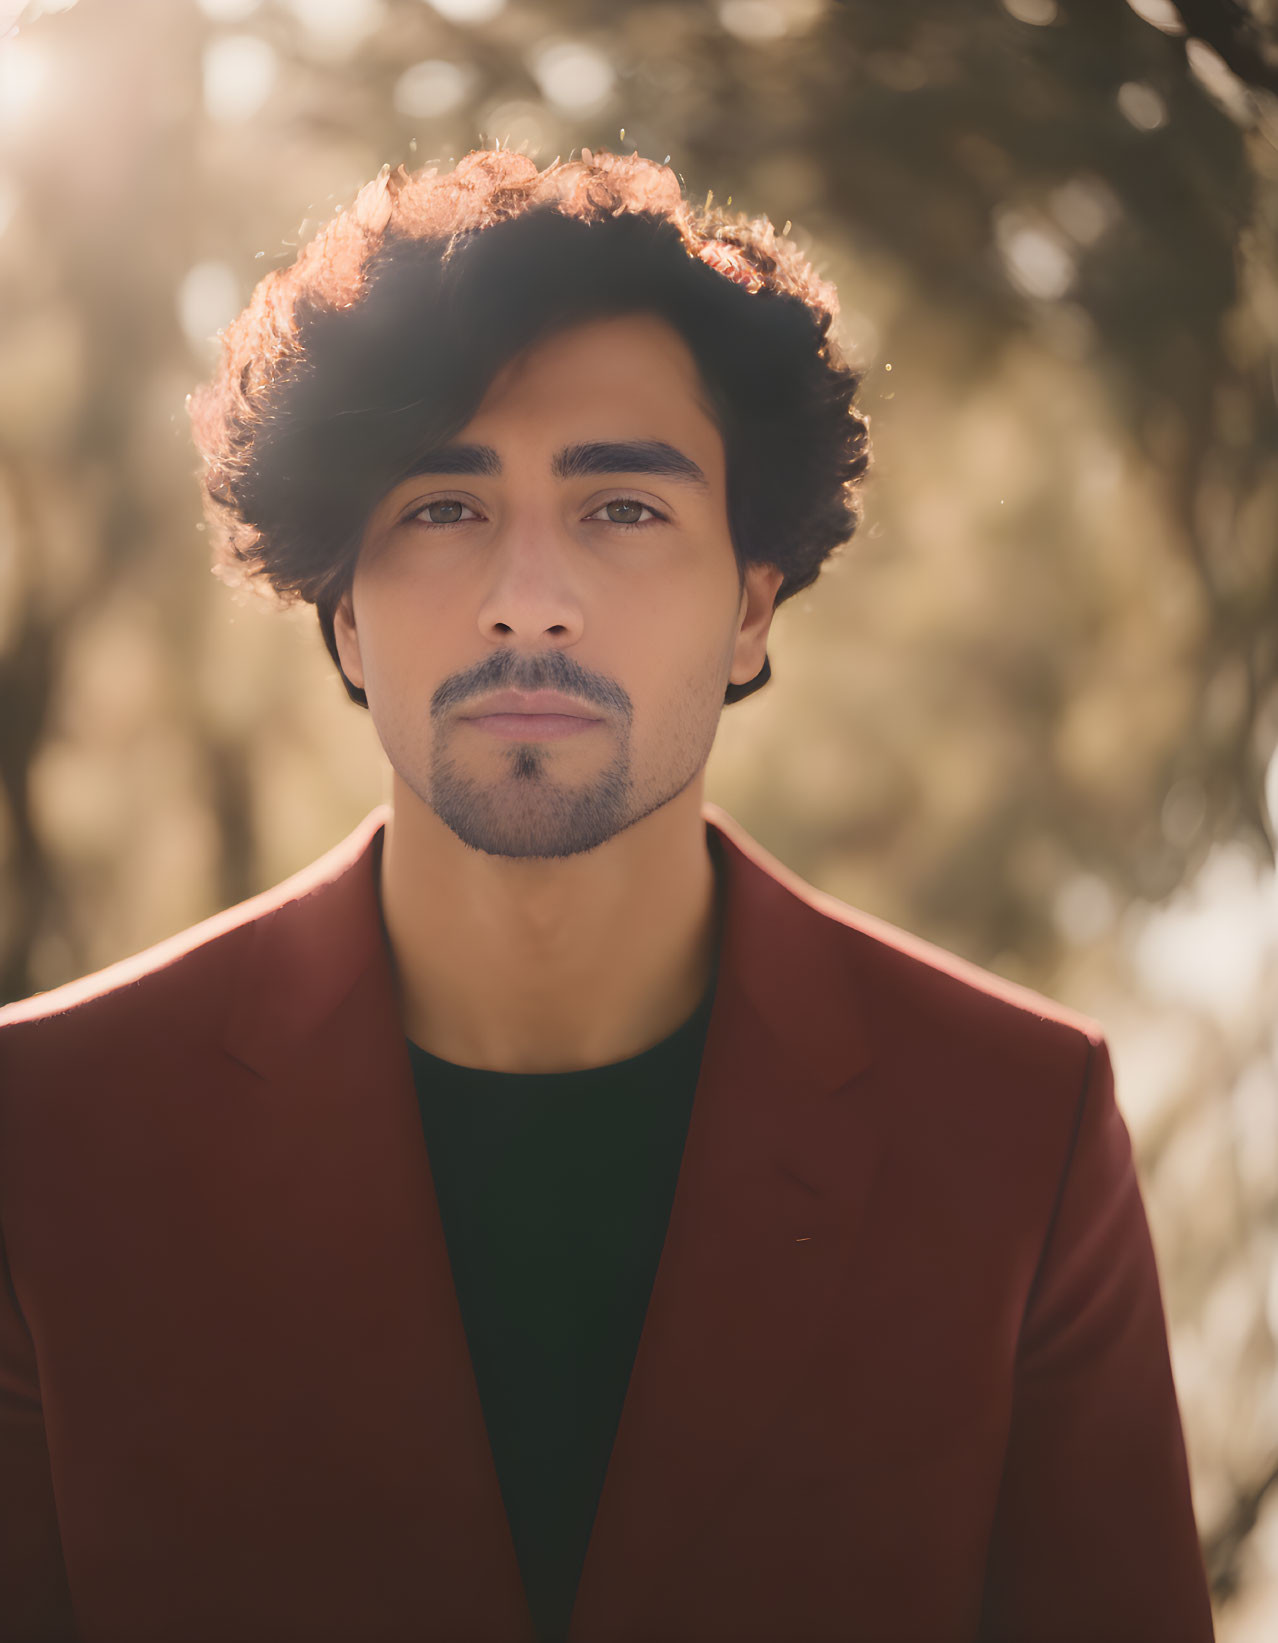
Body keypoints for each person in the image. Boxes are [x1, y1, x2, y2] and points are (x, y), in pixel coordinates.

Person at [0, 146, 1214, 1643]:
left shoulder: (1014, 1130)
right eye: (443, 507)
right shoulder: (49, 1128)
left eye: (622, 510)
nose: (530, 594)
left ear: (750, 601)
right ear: (345, 615)